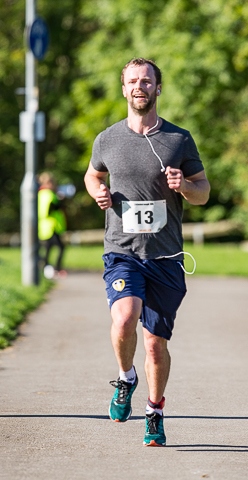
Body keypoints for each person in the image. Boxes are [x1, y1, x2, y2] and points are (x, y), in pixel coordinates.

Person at [84, 57, 210, 446]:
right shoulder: (107, 138)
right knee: (124, 319)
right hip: (122, 251)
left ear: (158, 88)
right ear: (124, 89)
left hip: (166, 257)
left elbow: (203, 192)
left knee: (155, 344)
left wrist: (183, 185)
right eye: (133, 81)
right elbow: (93, 174)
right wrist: (97, 192)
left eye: (147, 81)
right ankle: (126, 379)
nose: (140, 87)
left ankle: (154, 412)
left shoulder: (178, 139)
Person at [38, 172, 67, 279]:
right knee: (59, 248)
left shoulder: (42, 193)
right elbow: (48, 210)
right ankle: (56, 269)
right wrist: (58, 203)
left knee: (48, 249)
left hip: (48, 228)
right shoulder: (47, 194)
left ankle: (46, 268)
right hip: (50, 227)